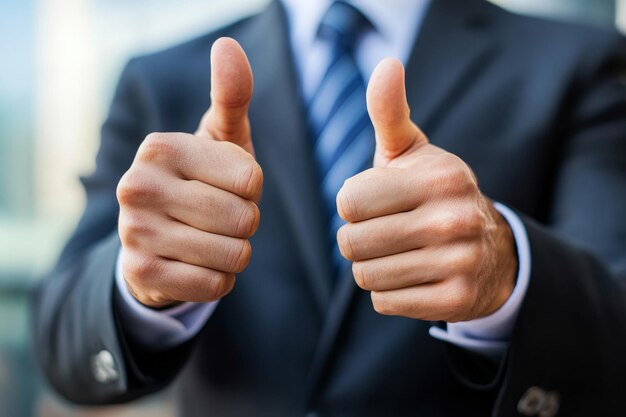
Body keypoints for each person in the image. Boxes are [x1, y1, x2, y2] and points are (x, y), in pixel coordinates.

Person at [31, 0, 626, 416]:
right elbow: (61, 342)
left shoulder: (581, 63)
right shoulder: (159, 81)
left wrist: (510, 269)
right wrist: (137, 281)